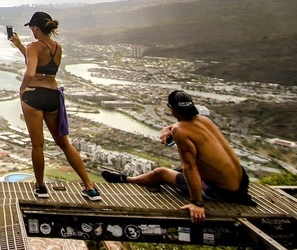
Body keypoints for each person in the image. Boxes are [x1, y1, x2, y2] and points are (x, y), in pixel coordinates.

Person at [101, 90, 255, 222]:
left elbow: (189, 167)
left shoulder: (180, 131)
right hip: (241, 183)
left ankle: (127, 179)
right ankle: (127, 178)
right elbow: (179, 125)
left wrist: (197, 204)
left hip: (221, 192)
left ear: (172, 109)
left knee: (161, 172)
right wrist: (166, 129)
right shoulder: (204, 120)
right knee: (176, 171)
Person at [9, 11, 101, 201]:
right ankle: (89, 187)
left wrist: (22, 89)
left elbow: (31, 71)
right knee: (64, 143)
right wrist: (19, 45)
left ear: (36, 28)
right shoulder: (57, 47)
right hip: (52, 95)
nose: (32, 31)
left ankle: (41, 187)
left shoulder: (34, 46)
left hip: (34, 95)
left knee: (37, 144)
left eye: (32, 27)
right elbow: (40, 64)